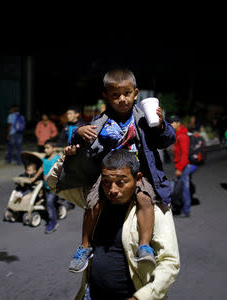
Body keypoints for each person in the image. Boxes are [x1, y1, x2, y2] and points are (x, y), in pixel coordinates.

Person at [61, 68, 176, 273]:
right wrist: (78, 132)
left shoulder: (143, 118)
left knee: (145, 200)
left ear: (136, 93)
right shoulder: (100, 121)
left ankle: (145, 246)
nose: (122, 99)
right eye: (115, 95)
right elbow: (80, 140)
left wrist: (160, 126)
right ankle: (85, 247)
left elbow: (167, 140)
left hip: (136, 173)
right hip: (109, 175)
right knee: (93, 202)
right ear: (106, 96)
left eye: (127, 93)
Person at [63, 150, 180, 299]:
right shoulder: (97, 204)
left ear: (137, 179)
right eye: (106, 182)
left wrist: (141, 297)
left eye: (121, 182)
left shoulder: (155, 210)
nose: (113, 190)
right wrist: (68, 156)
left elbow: (169, 262)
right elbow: (54, 183)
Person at [30, 139, 61, 234]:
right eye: (45, 148)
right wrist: (35, 177)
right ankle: (55, 213)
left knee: (49, 203)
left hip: (54, 186)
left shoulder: (57, 159)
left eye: (47, 148)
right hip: (46, 185)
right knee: (48, 202)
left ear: (54, 148)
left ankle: (53, 222)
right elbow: (42, 168)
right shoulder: (44, 159)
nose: (45, 150)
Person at [169, 115, 197, 217]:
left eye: (172, 122)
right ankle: (181, 206)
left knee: (184, 187)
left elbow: (184, 155)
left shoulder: (183, 136)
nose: (171, 124)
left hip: (185, 165)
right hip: (183, 165)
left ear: (178, 123)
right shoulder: (178, 134)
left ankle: (186, 210)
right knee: (184, 185)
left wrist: (180, 169)